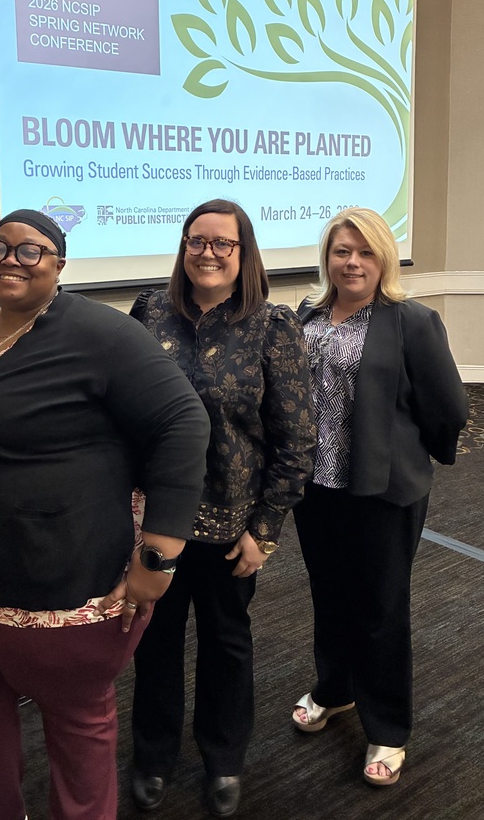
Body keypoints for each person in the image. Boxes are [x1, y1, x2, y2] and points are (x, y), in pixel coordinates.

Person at [0, 209, 211, 820]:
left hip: (51, 582)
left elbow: (183, 423)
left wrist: (159, 556)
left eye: (30, 250)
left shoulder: (100, 334)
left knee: (76, 720)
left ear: (59, 264)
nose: (11, 259)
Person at [112, 198, 315, 817]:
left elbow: (296, 439)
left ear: (243, 253)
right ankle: (153, 754)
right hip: (156, 522)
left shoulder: (272, 326)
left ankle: (224, 759)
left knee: (227, 642)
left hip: (232, 524)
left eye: (222, 243)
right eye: (196, 240)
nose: (207, 252)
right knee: (154, 638)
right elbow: (121, 411)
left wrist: (266, 529)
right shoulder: (150, 312)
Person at [292, 207, 469, 787]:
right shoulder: (307, 315)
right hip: (317, 488)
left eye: (365, 251)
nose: (352, 262)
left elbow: (449, 407)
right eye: (342, 251)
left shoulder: (412, 321)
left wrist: (410, 458)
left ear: (384, 258)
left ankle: (388, 727)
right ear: (327, 258)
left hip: (383, 490)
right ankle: (335, 689)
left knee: (380, 607)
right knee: (329, 594)